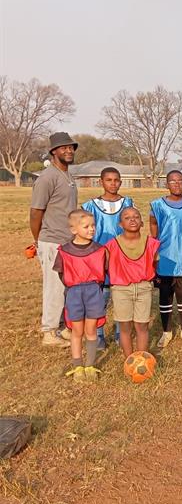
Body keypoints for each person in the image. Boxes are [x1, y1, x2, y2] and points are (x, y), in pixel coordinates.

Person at [30, 132, 79, 348]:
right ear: (53, 152)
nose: (68, 151)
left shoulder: (68, 175)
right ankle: (48, 332)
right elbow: (36, 212)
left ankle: (60, 326)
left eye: (71, 147)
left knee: (66, 286)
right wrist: (39, 241)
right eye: (63, 148)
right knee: (54, 287)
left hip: (67, 240)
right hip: (51, 240)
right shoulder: (47, 177)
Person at [82, 166, 134, 349]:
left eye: (116, 180)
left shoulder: (128, 202)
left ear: (121, 181)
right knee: (99, 299)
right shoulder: (90, 206)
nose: (113, 183)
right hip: (97, 260)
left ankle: (121, 332)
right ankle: (98, 334)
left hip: (121, 258)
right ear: (101, 182)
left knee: (121, 298)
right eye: (109, 180)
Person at [149, 170, 182, 348]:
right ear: (167, 184)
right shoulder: (157, 205)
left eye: (180, 181)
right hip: (165, 257)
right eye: (173, 181)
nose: (177, 184)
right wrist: (154, 252)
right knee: (165, 296)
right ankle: (166, 332)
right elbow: (153, 225)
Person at [54, 210, 105, 382]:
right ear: (73, 229)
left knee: (91, 331)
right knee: (77, 331)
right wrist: (73, 287)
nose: (91, 229)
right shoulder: (64, 251)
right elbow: (61, 274)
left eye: (93, 225)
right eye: (86, 226)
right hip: (74, 293)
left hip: (93, 292)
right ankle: (78, 366)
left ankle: (90, 365)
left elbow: (104, 271)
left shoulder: (100, 250)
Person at [105, 207, 159, 357]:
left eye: (136, 216)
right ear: (120, 224)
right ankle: (129, 360)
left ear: (142, 223)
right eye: (127, 218)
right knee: (125, 326)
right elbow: (106, 266)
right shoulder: (112, 245)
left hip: (143, 288)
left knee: (142, 325)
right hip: (121, 289)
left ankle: (141, 358)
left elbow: (154, 264)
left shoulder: (151, 243)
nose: (132, 219)